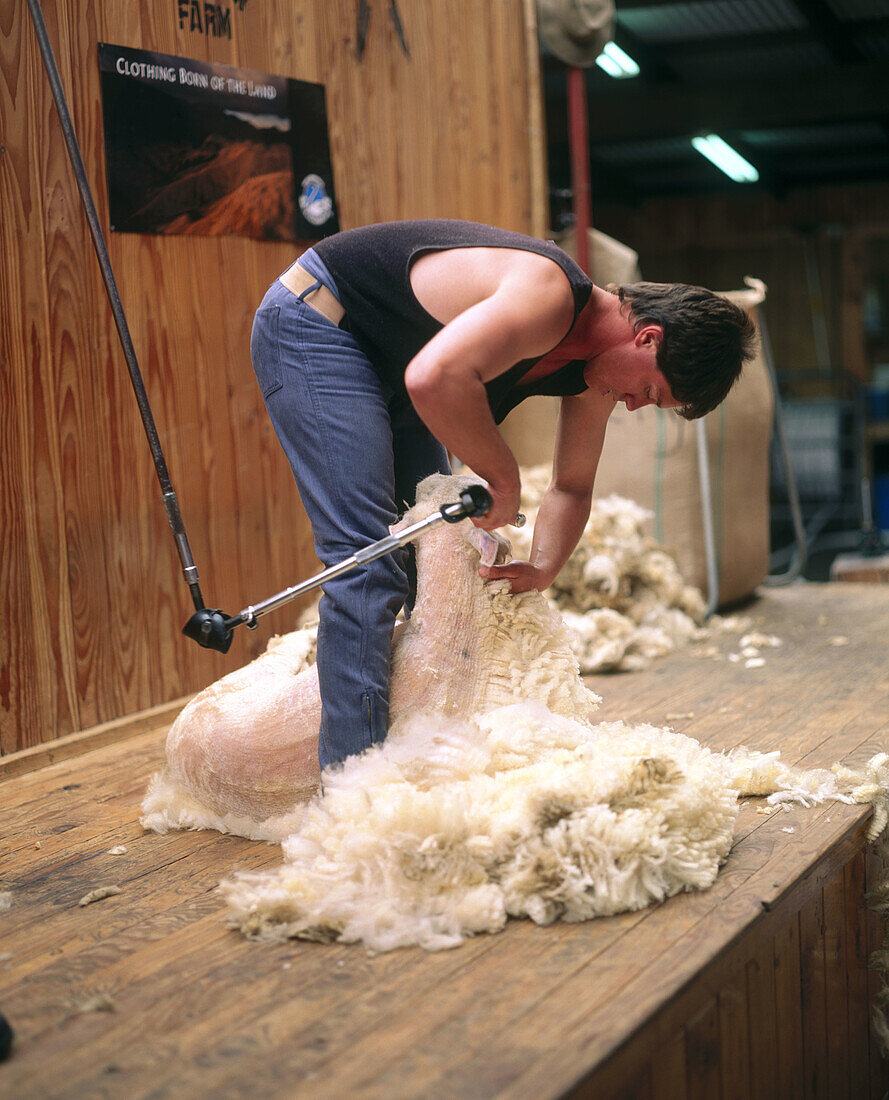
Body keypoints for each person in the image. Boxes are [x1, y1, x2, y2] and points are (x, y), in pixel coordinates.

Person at [250, 219, 756, 770]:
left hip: (392, 361)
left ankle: (427, 757)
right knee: (368, 564)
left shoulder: (596, 372)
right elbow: (433, 377)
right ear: (648, 337)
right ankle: (354, 793)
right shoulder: (549, 294)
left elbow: (572, 484)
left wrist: (542, 567)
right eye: (649, 392)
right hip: (321, 323)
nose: (633, 405)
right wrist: (504, 479)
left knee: (435, 570)